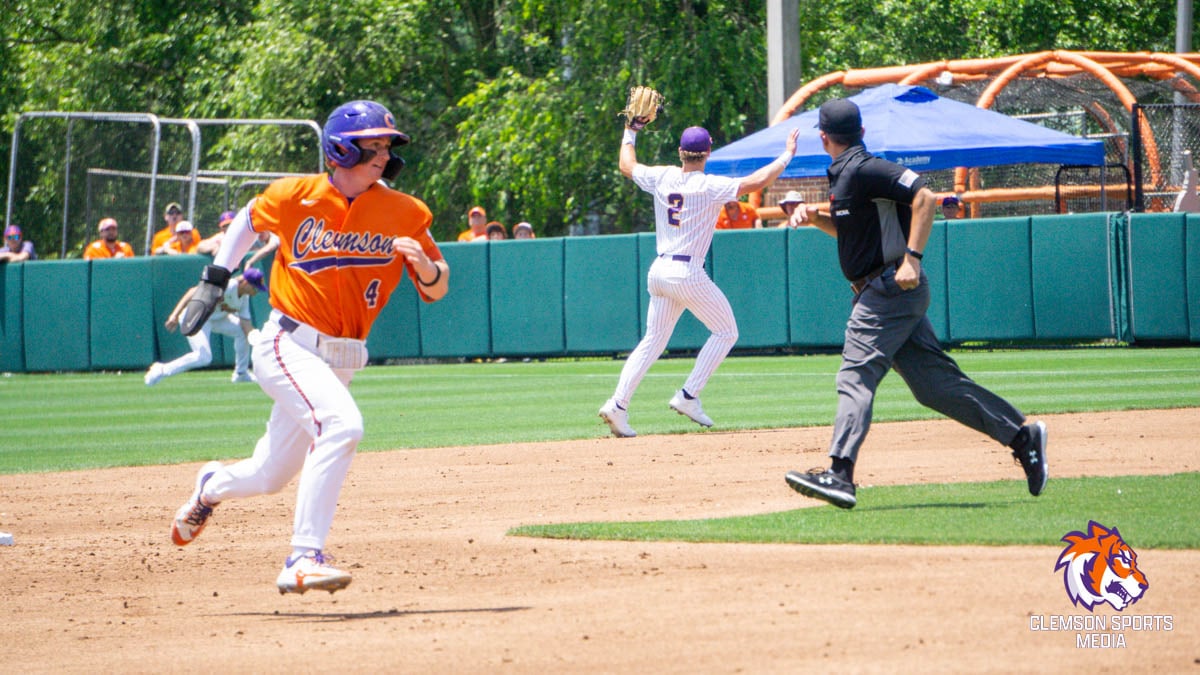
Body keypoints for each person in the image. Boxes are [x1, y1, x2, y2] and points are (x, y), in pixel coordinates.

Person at [167, 99, 450, 595]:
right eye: (372, 146)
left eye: (388, 146)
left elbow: (438, 286)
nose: (383, 155)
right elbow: (250, 220)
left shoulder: (405, 211)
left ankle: (209, 487)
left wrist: (426, 268)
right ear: (340, 149)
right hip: (287, 342)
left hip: (341, 357)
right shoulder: (295, 195)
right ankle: (302, 557)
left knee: (269, 474)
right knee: (342, 426)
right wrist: (215, 278)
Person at [781, 97, 1047, 509]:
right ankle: (1020, 435)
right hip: (885, 290)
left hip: (887, 289)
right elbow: (856, 236)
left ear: (822, 137)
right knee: (935, 387)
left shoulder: (867, 168)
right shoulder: (846, 174)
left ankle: (840, 472)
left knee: (855, 375)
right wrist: (816, 219)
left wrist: (912, 259)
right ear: (861, 133)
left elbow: (923, 197)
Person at [597, 122, 800, 438]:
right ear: (707, 153)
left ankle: (618, 405)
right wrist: (787, 154)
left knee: (652, 341)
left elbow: (627, 164)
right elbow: (757, 181)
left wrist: (630, 130)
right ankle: (688, 396)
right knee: (726, 331)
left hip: (660, 270)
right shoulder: (709, 185)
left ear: (680, 152)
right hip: (686, 272)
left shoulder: (663, 176)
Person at [144, 268, 267, 386]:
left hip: (216, 318)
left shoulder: (244, 297)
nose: (256, 291)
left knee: (241, 331)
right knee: (204, 357)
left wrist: (258, 342)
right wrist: (175, 314)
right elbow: (193, 291)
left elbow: (245, 323)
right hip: (196, 317)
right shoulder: (227, 286)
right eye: (255, 287)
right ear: (245, 283)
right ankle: (162, 370)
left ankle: (241, 373)